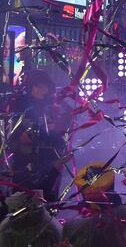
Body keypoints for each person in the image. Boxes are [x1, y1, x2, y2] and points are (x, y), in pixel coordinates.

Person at [6, 70, 71, 202]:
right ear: (32, 86)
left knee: (47, 200)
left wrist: (53, 131)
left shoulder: (56, 105)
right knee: (23, 200)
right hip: (24, 162)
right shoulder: (19, 105)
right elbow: (10, 135)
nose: (43, 89)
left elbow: (64, 133)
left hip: (48, 161)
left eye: (45, 86)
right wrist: (20, 137)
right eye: (39, 86)